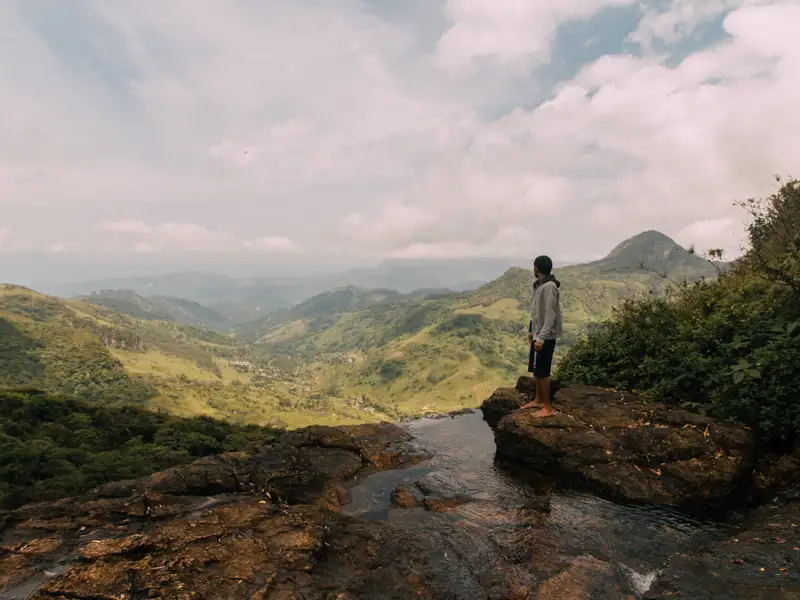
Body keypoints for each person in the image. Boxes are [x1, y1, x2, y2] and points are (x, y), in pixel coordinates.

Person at [521, 255, 563, 418]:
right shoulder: (539, 285)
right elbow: (535, 312)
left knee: (543, 372)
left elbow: (551, 315)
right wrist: (532, 330)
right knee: (537, 370)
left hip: (546, 336)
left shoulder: (550, 287)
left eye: (534, 266)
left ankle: (548, 408)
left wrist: (542, 338)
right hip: (538, 334)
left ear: (536, 268)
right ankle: (538, 400)